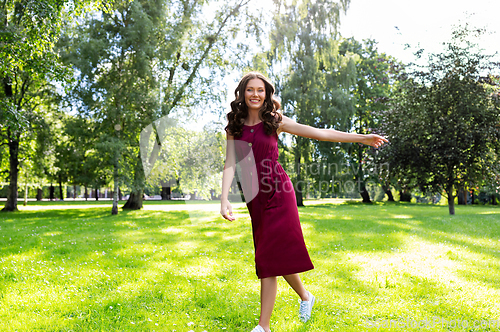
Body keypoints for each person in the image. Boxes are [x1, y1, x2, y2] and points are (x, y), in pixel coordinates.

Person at [220, 72, 388, 332]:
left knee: (266, 256)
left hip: (278, 190)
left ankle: (263, 327)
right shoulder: (234, 126)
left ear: (267, 94)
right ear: (242, 93)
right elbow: (230, 163)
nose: (255, 94)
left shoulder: (275, 121)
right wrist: (224, 199)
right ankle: (306, 297)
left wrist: (361, 137)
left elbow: (320, 133)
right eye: (250, 90)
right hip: (254, 195)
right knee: (273, 254)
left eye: (260, 90)